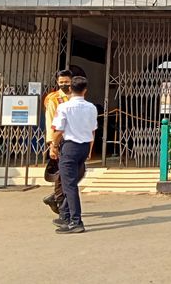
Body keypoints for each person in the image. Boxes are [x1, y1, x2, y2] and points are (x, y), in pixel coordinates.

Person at [50, 76, 97, 234]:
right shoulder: (91, 107)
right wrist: (90, 149)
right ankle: (66, 215)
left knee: (69, 185)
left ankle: (75, 222)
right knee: (68, 181)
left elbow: (58, 130)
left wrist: (53, 146)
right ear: (85, 90)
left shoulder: (64, 107)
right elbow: (92, 130)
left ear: (70, 89)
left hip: (70, 147)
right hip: (84, 146)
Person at [42, 69, 73, 214]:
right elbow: (50, 122)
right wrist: (51, 144)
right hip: (59, 140)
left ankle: (56, 198)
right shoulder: (53, 99)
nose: (64, 85)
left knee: (75, 172)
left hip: (74, 140)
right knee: (63, 173)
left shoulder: (75, 96)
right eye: (61, 82)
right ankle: (60, 202)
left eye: (66, 82)